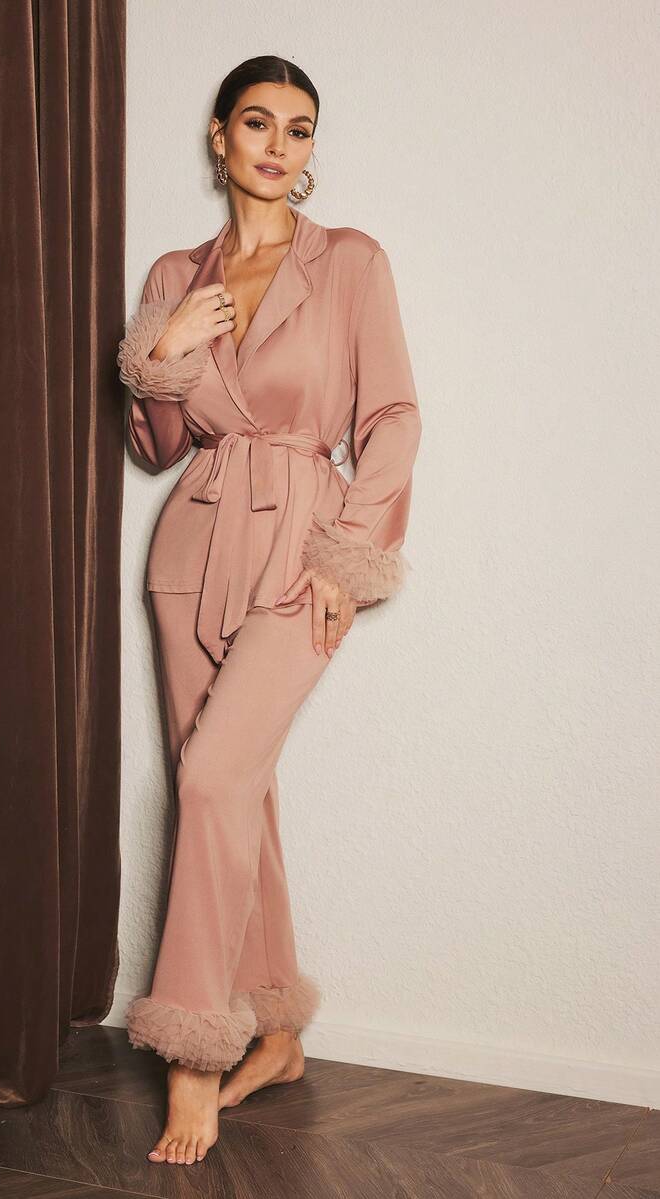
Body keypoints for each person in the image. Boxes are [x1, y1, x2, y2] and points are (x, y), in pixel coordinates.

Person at [117, 54, 422, 1167]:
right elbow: (156, 446)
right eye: (257, 123)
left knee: (211, 777)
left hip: (301, 547)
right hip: (191, 548)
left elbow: (391, 417)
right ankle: (277, 1030)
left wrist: (351, 555)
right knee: (232, 788)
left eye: (298, 129)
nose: (278, 146)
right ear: (220, 136)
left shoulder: (351, 263)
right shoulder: (175, 273)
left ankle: (194, 1053)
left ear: (309, 147)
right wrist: (161, 353)